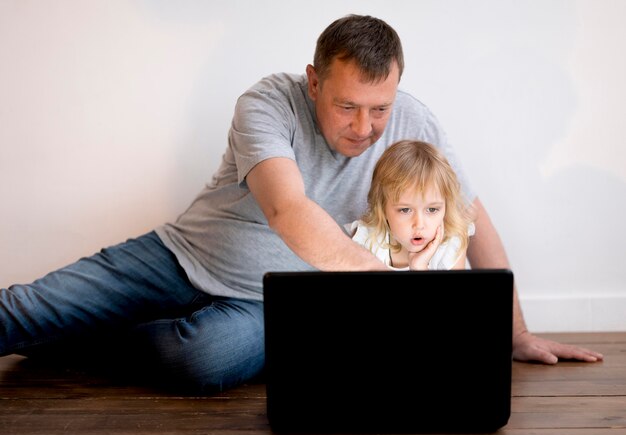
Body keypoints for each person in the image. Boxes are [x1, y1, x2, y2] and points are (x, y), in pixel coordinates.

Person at [0, 14, 602, 395]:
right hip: (181, 254)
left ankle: (76, 341)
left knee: (205, 362)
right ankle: (62, 325)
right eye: (346, 107)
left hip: (267, 298)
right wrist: (383, 284)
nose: (366, 128)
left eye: (380, 108)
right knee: (25, 310)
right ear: (314, 80)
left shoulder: (414, 120)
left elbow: (471, 217)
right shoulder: (267, 102)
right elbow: (287, 210)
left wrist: (515, 331)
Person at [346, 139, 475, 271]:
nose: (419, 224)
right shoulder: (366, 241)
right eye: (405, 210)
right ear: (382, 209)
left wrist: (419, 267)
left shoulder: (451, 244)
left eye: (432, 209)